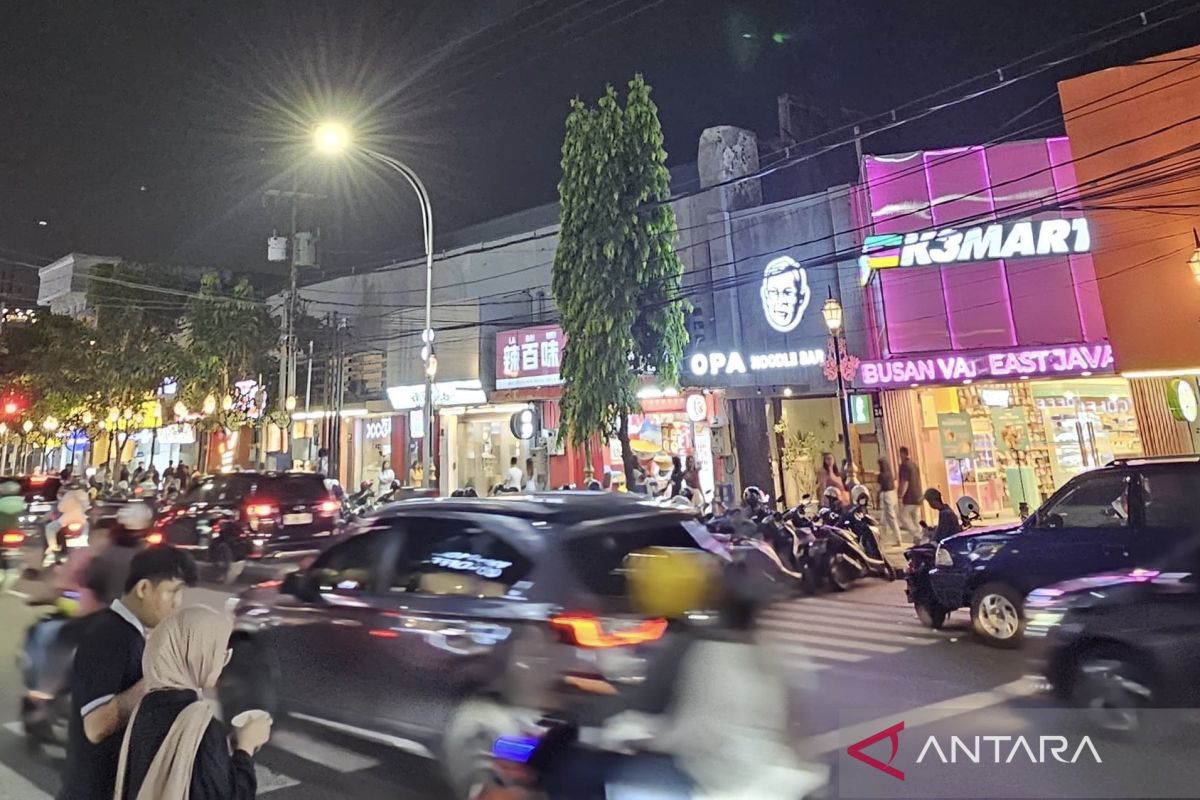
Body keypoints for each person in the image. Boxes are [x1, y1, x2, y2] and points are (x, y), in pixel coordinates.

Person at [60, 547, 198, 800]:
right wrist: (160, 675)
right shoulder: (113, 637)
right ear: (143, 588)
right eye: (172, 591)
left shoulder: (125, 633)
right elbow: (96, 725)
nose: (178, 603)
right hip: (94, 791)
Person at [114, 605, 266, 799]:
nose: (222, 663)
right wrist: (246, 747)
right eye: (219, 653)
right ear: (197, 654)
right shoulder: (200, 727)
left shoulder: (146, 708)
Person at [897, 446, 923, 543]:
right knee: (915, 518)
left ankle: (917, 534)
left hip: (910, 496)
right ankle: (920, 537)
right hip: (918, 495)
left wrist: (900, 495)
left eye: (900, 453)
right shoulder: (914, 465)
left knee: (903, 516)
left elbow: (905, 482)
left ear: (903, 453)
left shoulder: (904, 466)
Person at [877, 456, 901, 547]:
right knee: (885, 519)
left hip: (886, 495)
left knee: (890, 518)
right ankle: (882, 539)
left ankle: (898, 539)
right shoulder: (890, 474)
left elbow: (879, 486)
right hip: (892, 494)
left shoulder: (881, 475)